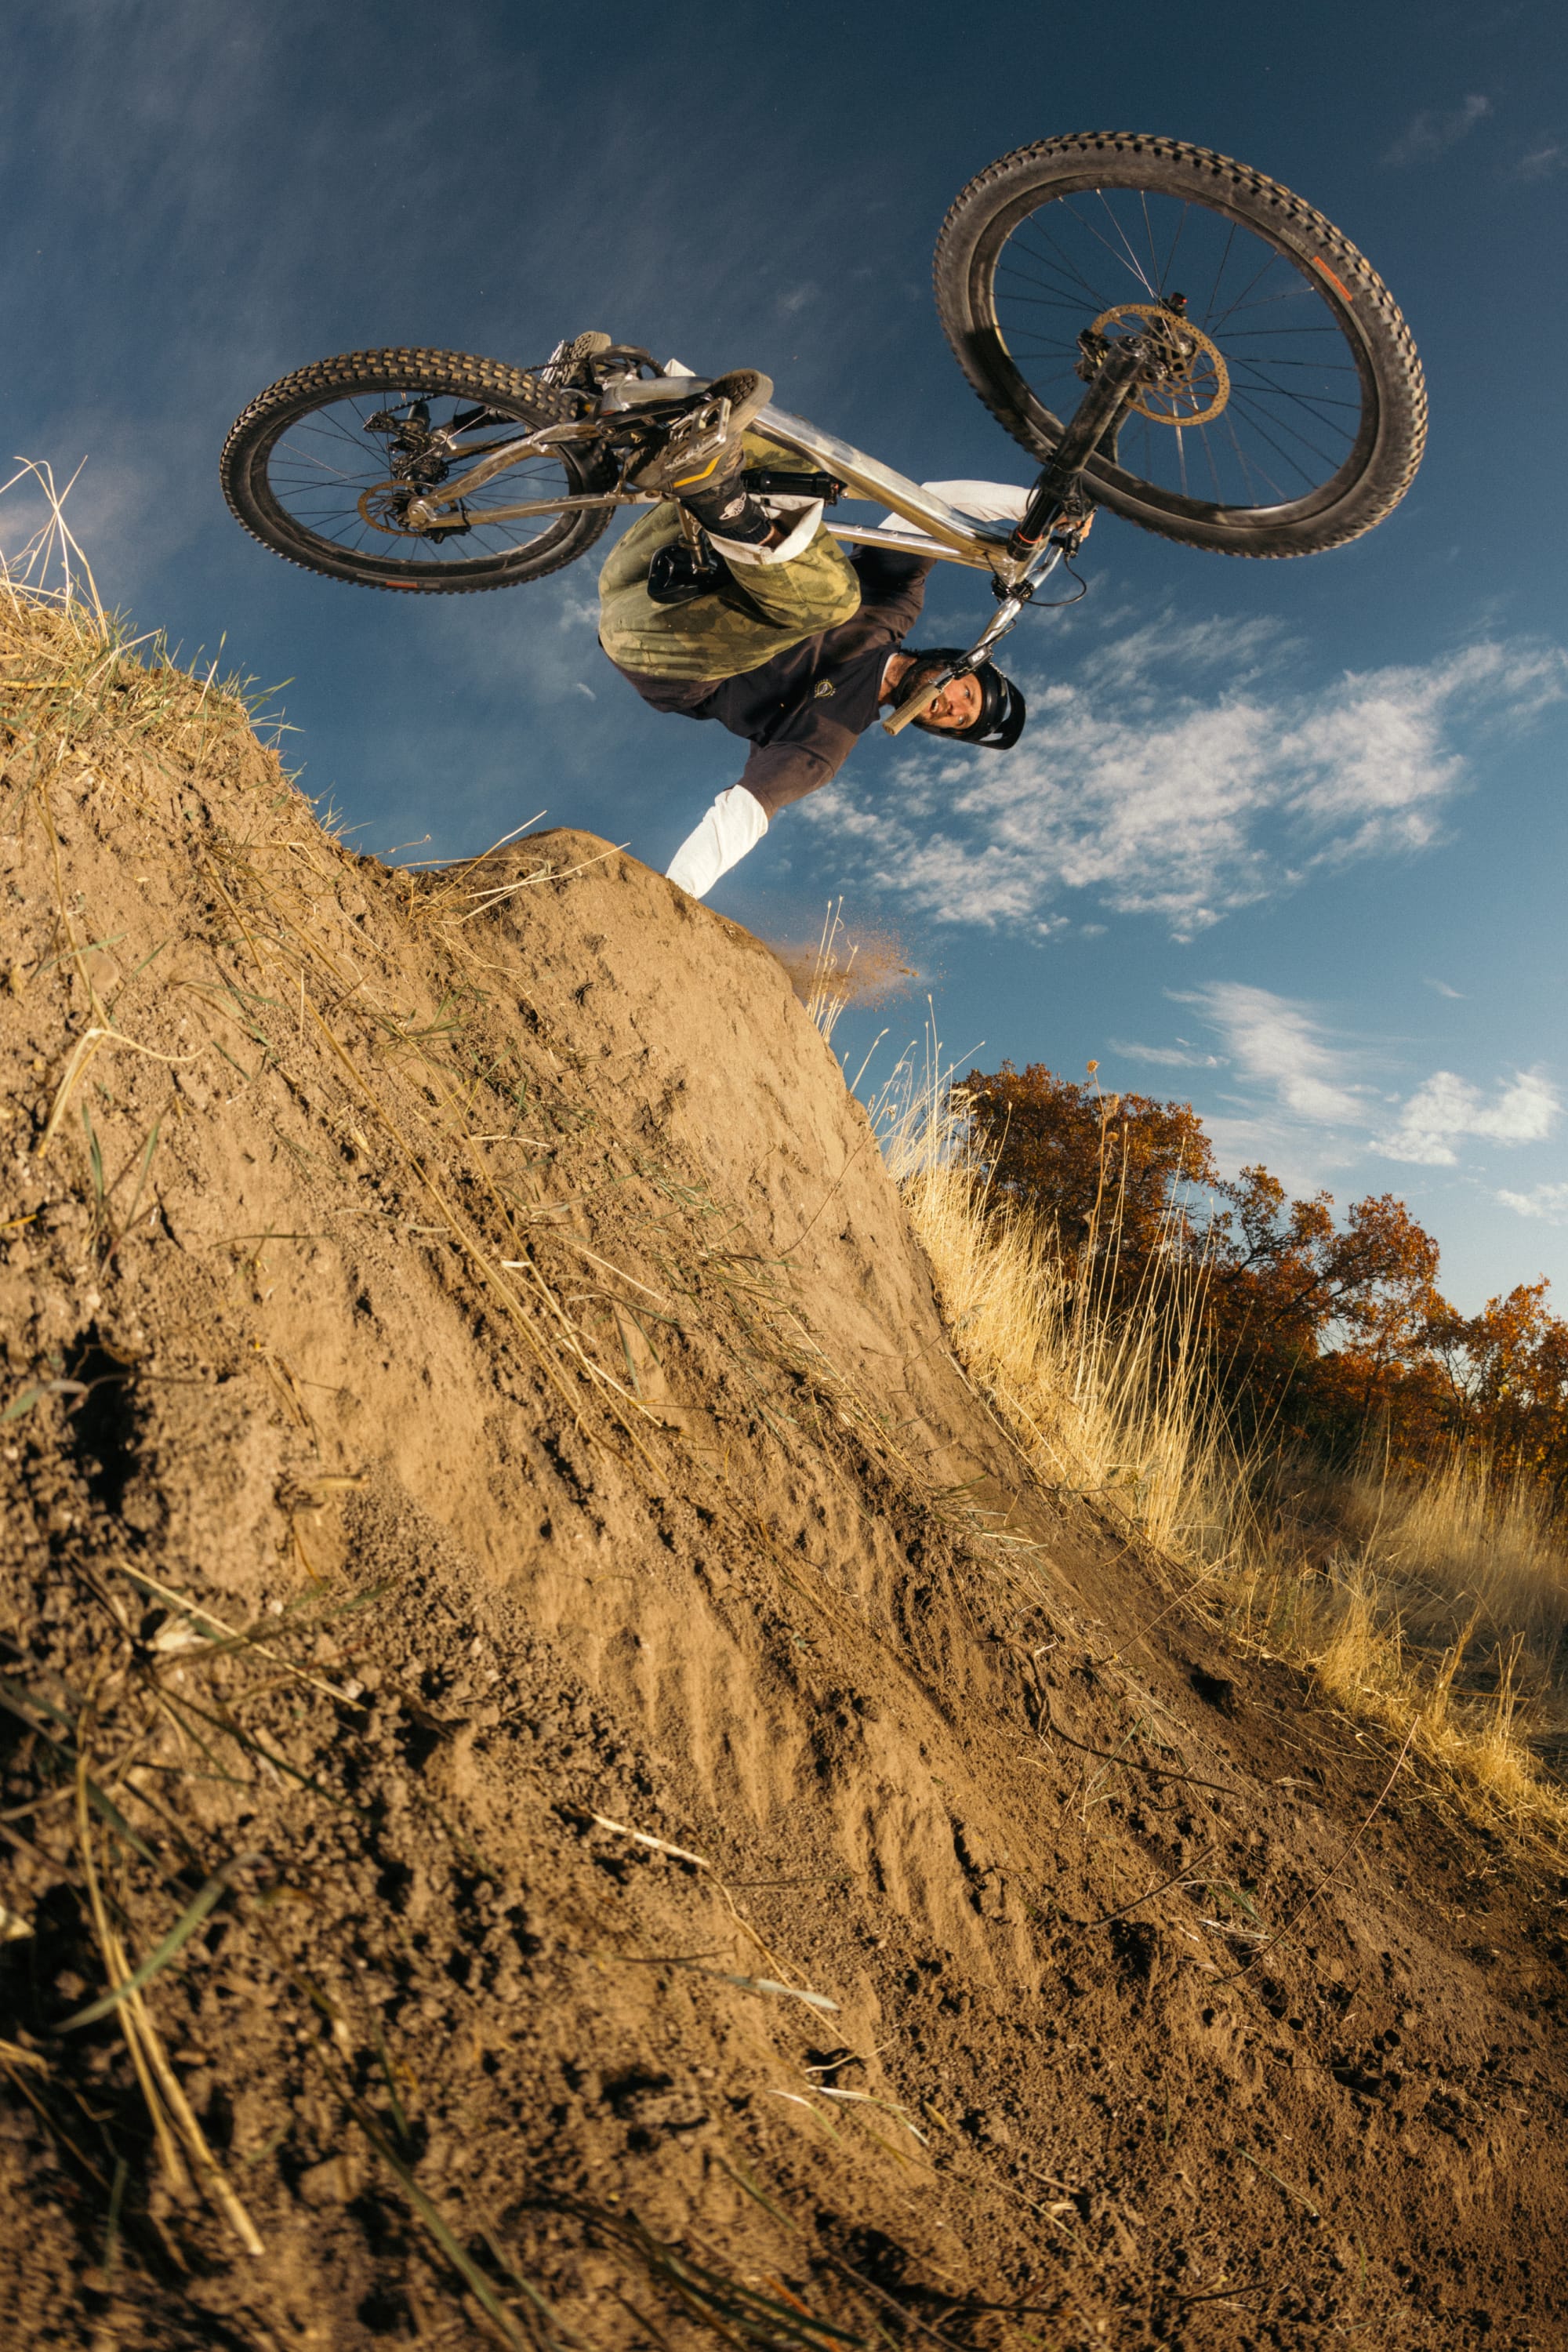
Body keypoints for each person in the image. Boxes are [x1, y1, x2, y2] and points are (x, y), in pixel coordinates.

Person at [596, 368, 1046, 900]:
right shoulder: (893, 605)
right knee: (805, 461)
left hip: (658, 645)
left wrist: (673, 898)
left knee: (833, 597)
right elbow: (929, 505)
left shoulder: (830, 736)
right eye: (964, 695)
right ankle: (613, 399)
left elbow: (744, 811)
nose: (949, 707)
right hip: (663, 563)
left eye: (956, 721)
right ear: (958, 666)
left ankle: (718, 491)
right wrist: (1032, 509)